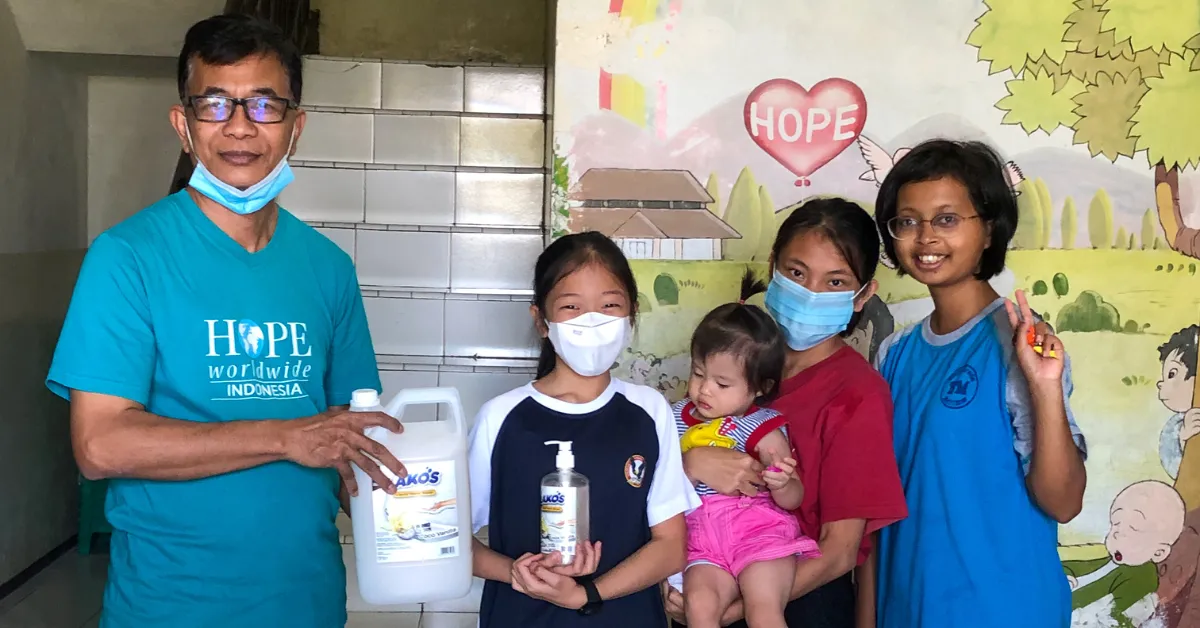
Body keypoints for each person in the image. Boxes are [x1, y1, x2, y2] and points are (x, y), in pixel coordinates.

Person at [45, 15, 405, 628]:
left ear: (296, 127)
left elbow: (351, 446)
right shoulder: (128, 257)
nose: (240, 126)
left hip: (309, 605)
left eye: (265, 104)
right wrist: (285, 436)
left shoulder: (328, 269)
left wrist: (455, 535)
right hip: (169, 609)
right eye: (216, 104)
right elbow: (99, 445)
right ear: (184, 125)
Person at [871, 139, 1088, 627]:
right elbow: (881, 503)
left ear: (989, 229)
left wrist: (1045, 388)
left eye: (947, 219)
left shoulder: (1020, 344)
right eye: (907, 221)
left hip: (1002, 609)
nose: (925, 237)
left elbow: (1064, 501)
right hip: (907, 608)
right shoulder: (894, 353)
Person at [666, 198, 908, 628]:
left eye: (835, 282)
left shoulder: (858, 393)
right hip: (705, 576)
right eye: (796, 273)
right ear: (774, 265)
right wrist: (690, 463)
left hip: (797, 601)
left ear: (862, 295)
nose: (810, 294)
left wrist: (735, 612)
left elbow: (840, 552)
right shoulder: (724, 363)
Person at [468, 231, 700, 627]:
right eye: (571, 306)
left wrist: (587, 594)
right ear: (541, 320)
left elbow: (671, 546)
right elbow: (452, 542)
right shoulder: (501, 417)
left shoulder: (649, 410)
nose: (592, 321)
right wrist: (514, 573)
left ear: (632, 315)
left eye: (610, 305)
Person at [670, 270, 822, 628]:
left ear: (758, 388)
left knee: (764, 609)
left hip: (758, 534)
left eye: (722, 383)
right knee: (699, 606)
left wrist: (784, 482)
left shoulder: (763, 426)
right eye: (697, 373)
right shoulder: (672, 417)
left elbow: (793, 498)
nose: (704, 390)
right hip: (700, 542)